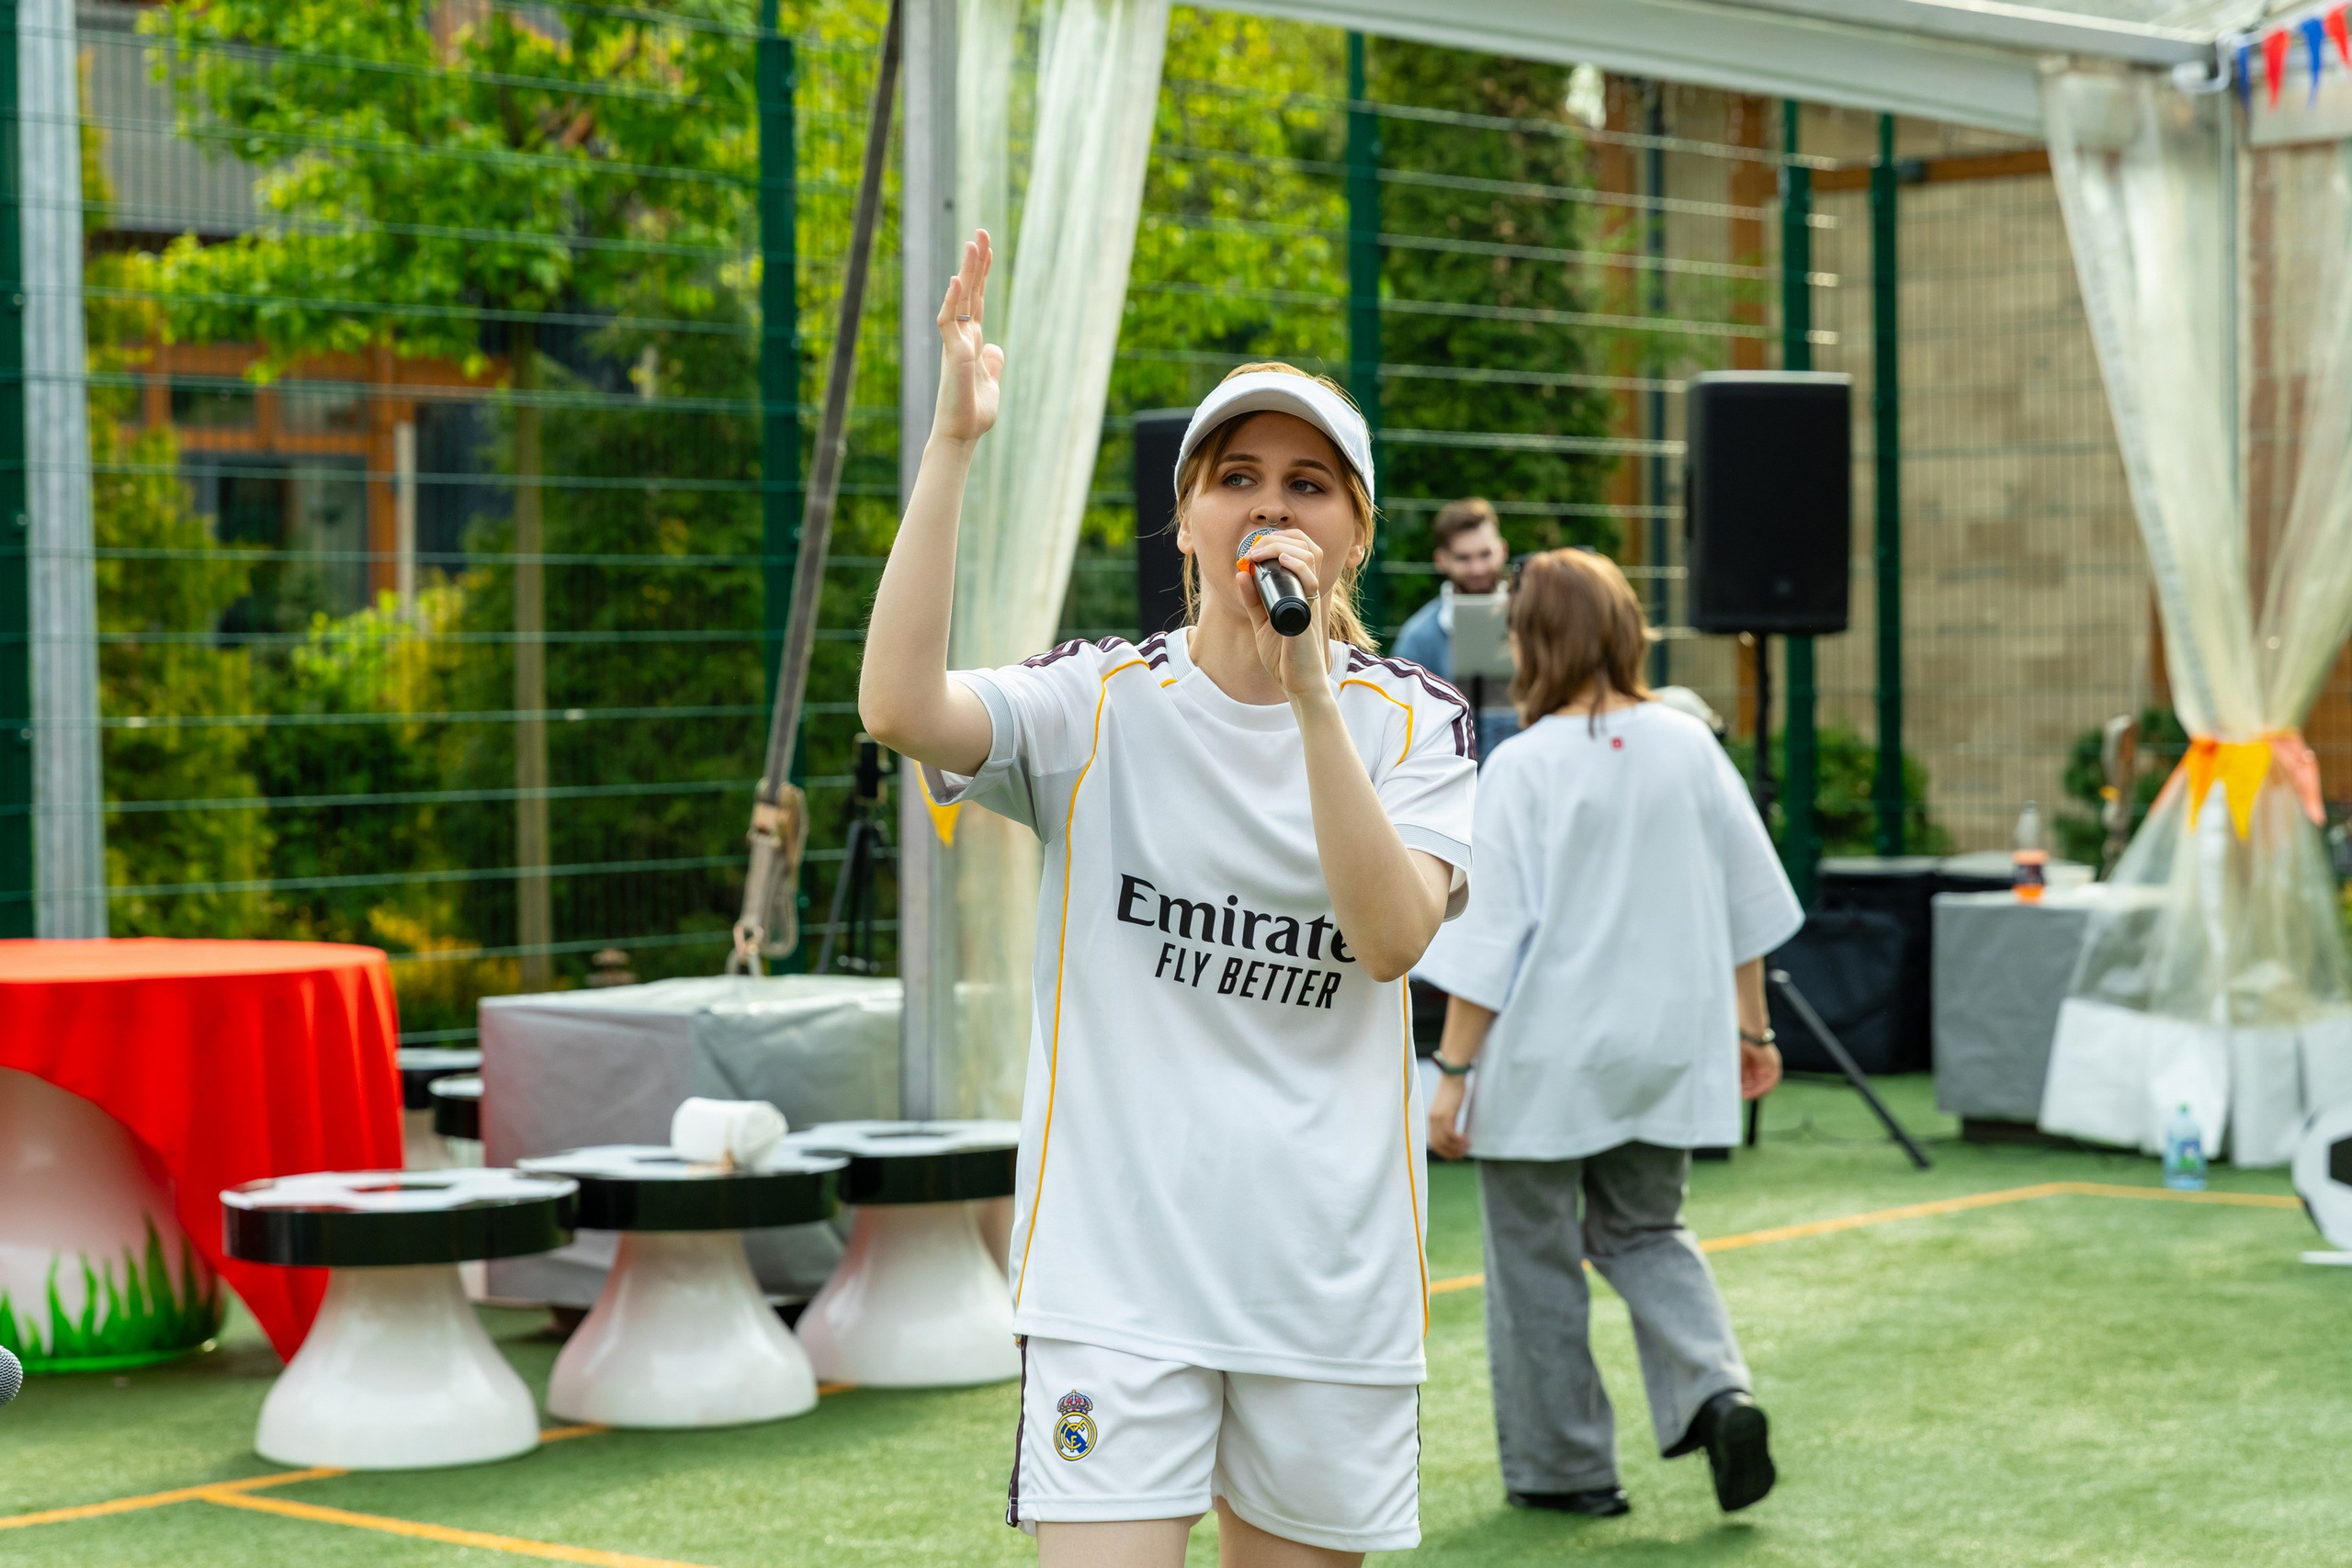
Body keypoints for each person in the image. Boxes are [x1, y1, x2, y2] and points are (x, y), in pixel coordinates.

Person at [860, 231, 1478, 1567]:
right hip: (1116, 1285)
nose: (1270, 506)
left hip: (1327, 1290)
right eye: (1236, 477)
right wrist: (953, 444)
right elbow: (900, 706)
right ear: (1187, 515)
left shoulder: (1413, 718)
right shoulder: (1095, 701)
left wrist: (1308, 692)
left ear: (1355, 531)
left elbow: (1389, 938)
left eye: (1307, 484)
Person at [1414, 548, 1799, 1521]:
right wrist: (1753, 1031)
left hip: (1542, 1061)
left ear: (1534, 641)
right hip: (1666, 1048)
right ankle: (1718, 1390)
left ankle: (1565, 1469)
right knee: (1648, 1230)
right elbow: (1748, 903)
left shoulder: (1521, 765)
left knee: (1532, 1263)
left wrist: (1451, 1071)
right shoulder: (1690, 745)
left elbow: (1489, 938)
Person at [1392, 497, 1518, 756]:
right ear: (1441, 560)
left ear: (1503, 550)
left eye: (1485, 554)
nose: (1477, 568)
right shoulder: (1419, 637)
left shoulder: (1534, 624)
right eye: (1464, 558)